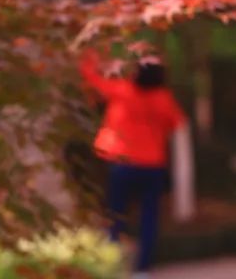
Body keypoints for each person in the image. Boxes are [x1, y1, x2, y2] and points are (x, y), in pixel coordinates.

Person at [80, 50, 194, 279]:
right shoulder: (164, 99)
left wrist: (89, 53)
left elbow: (92, 79)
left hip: (122, 164)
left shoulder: (123, 91)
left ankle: (112, 262)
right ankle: (142, 269)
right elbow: (179, 125)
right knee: (149, 219)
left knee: (115, 214)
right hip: (152, 166)